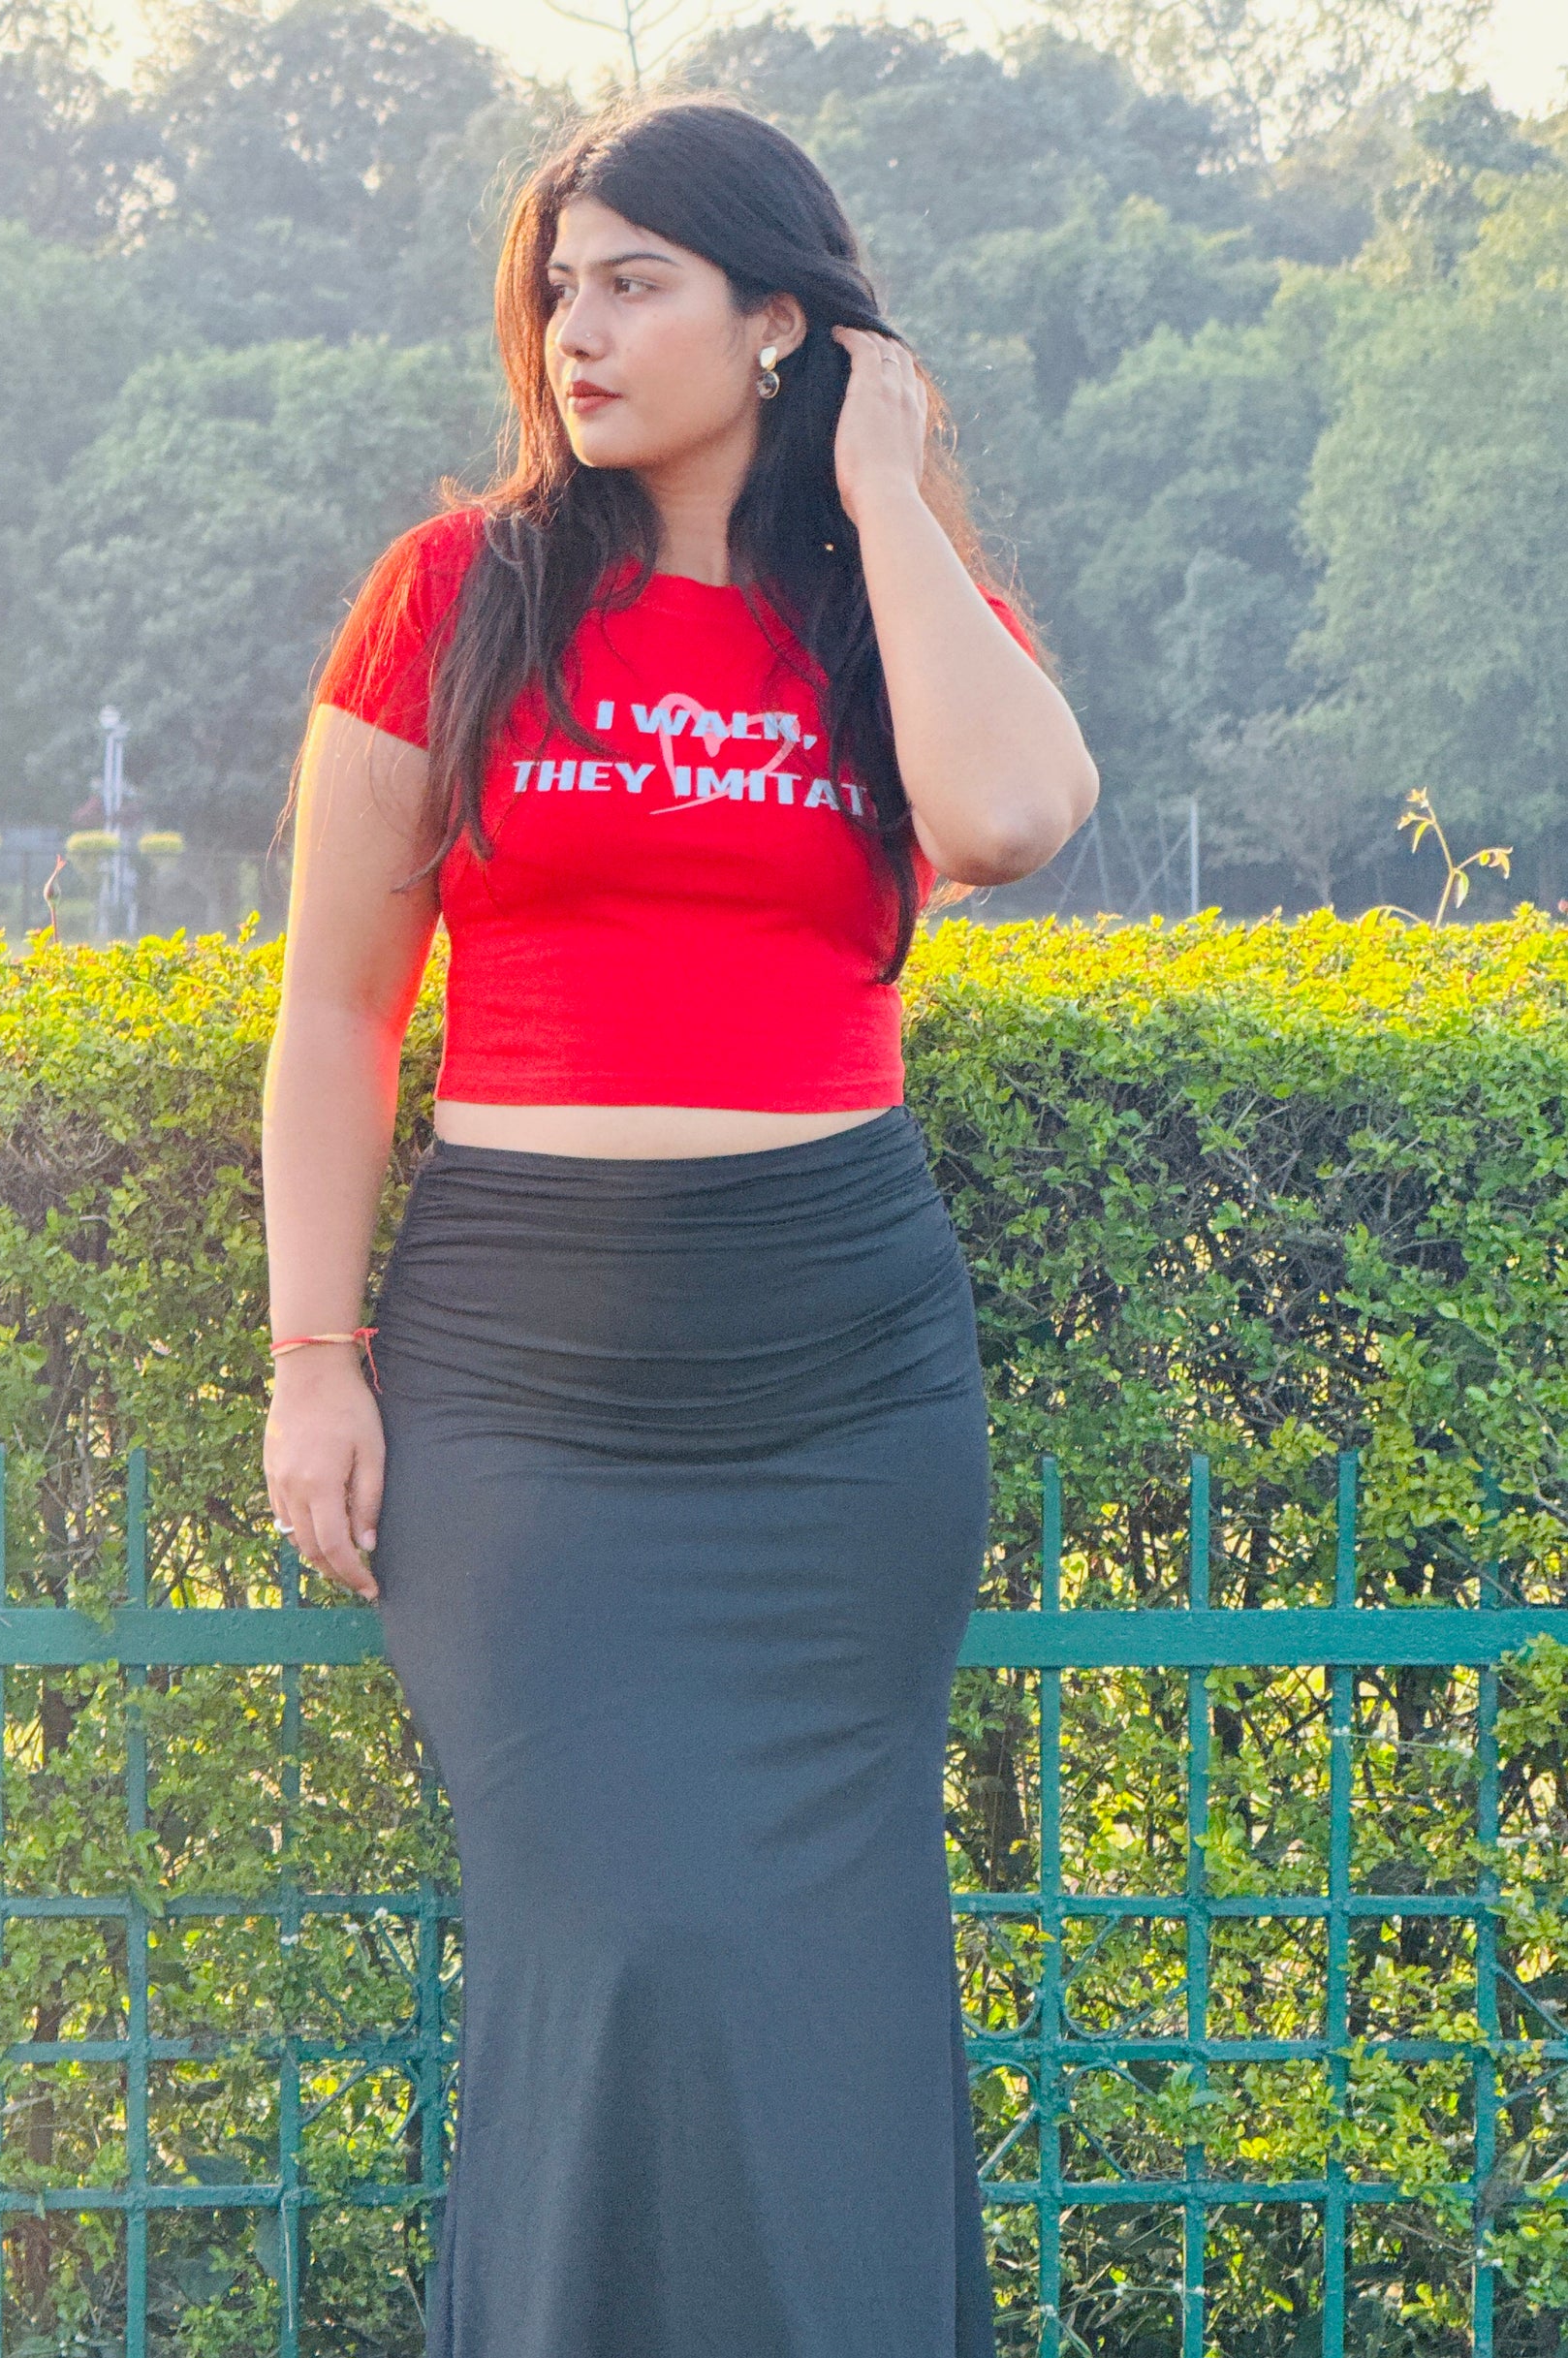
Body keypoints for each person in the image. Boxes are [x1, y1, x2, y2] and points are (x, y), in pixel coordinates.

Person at [262, 94, 1098, 2358]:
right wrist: (313, 1351)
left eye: (634, 283)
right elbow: (336, 1008)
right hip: (525, 1388)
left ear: (776, 319)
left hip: (836, 1388)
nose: (577, 331)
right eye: (559, 286)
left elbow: (1011, 815)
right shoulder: (456, 594)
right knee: (619, 1934)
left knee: (824, 1966)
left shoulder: (878, 609)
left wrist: (884, 493)